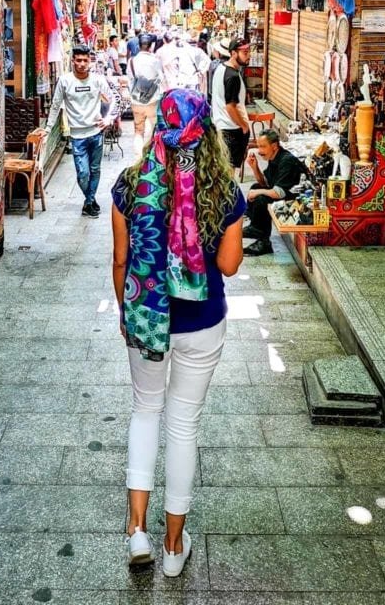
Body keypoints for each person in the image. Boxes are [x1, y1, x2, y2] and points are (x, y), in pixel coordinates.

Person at [111, 90, 245, 576]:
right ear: (206, 134)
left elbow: (122, 261)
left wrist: (129, 315)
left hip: (147, 320)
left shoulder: (129, 185)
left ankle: (137, 531)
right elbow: (228, 265)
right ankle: (172, 548)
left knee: (145, 411)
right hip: (202, 322)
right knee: (183, 426)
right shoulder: (224, 191)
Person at [46, 45, 111, 216]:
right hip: (77, 136)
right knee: (83, 173)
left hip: (96, 133)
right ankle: (90, 199)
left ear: (90, 61)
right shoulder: (65, 81)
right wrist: (47, 129)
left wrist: (108, 118)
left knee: (95, 170)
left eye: (85, 60)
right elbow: (55, 106)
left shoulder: (98, 80)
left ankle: (88, 203)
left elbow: (113, 99)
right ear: (73, 61)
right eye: (78, 60)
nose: (82, 64)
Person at [243, 130, 307, 255]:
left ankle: (263, 240)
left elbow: (279, 193)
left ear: (274, 146)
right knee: (255, 187)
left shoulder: (286, 160)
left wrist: (257, 192)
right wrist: (255, 167)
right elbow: (265, 183)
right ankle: (255, 228)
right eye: (258, 146)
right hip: (284, 195)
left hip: (296, 203)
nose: (259, 151)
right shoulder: (273, 158)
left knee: (261, 197)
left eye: (263, 146)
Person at [211, 36, 251, 167]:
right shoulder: (233, 76)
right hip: (232, 129)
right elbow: (230, 107)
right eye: (245, 53)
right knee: (230, 171)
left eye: (249, 51)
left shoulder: (221, 68)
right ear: (233, 53)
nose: (249, 56)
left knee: (225, 169)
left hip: (222, 126)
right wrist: (244, 126)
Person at [127, 33, 164, 155]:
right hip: (153, 100)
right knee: (154, 128)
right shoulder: (155, 60)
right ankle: (151, 154)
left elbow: (130, 79)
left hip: (136, 101)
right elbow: (161, 78)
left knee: (138, 130)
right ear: (151, 46)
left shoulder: (132, 61)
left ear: (139, 46)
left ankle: (139, 158)